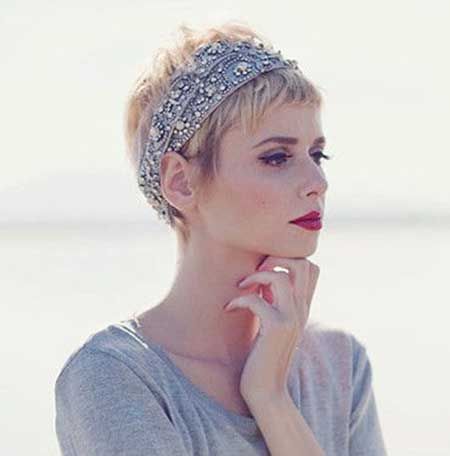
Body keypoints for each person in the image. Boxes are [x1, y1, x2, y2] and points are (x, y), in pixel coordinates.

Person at [54, 21, 388, 455]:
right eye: (277, 157)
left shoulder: (340, 366)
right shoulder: (114, 376)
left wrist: (271, 399)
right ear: (181, 182)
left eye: (317, 154)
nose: (317, 182)